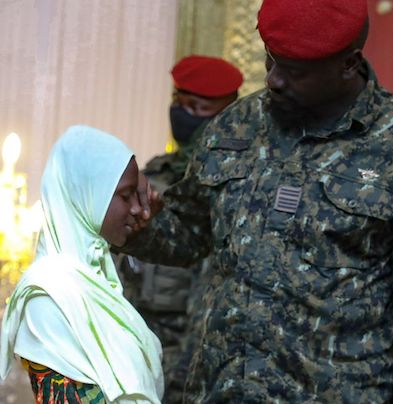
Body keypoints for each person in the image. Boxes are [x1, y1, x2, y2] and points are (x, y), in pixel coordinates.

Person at [121, 0, 393, 402]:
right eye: (271, 60)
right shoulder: (238, 125)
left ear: (349, 64)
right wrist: (126, 217)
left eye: (294, 71)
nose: (273, 80)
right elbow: (188, 234)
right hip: (222, 391)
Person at [0, 125, 164, 403]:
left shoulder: (95, 280)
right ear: (87, 196)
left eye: (137, 196)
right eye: (126, 196)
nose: (137, 208)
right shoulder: (49, 297)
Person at [116, 55, 243, 403]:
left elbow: (208, 293)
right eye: (178, 103)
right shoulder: (153, 172)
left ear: (227, 110)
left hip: (184, 363)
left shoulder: (232, 187)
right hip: (131, 348)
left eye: (197, 106)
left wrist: (184, 379)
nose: (183, 114)